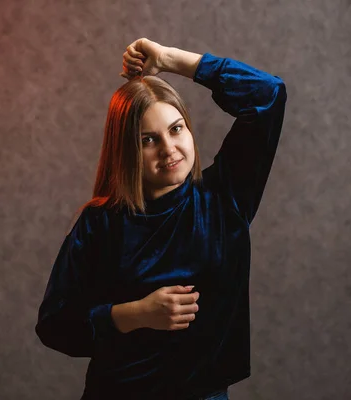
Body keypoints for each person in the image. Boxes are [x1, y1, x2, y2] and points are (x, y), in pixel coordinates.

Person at [35, 38, 287, 400]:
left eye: (176, 128)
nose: (169, 149)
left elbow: (269, 93)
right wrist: (136, 314)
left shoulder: (225, 198)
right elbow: (55, 325)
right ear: (127, 150)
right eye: (148, 140)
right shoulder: (100, 223)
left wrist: (169, 60)